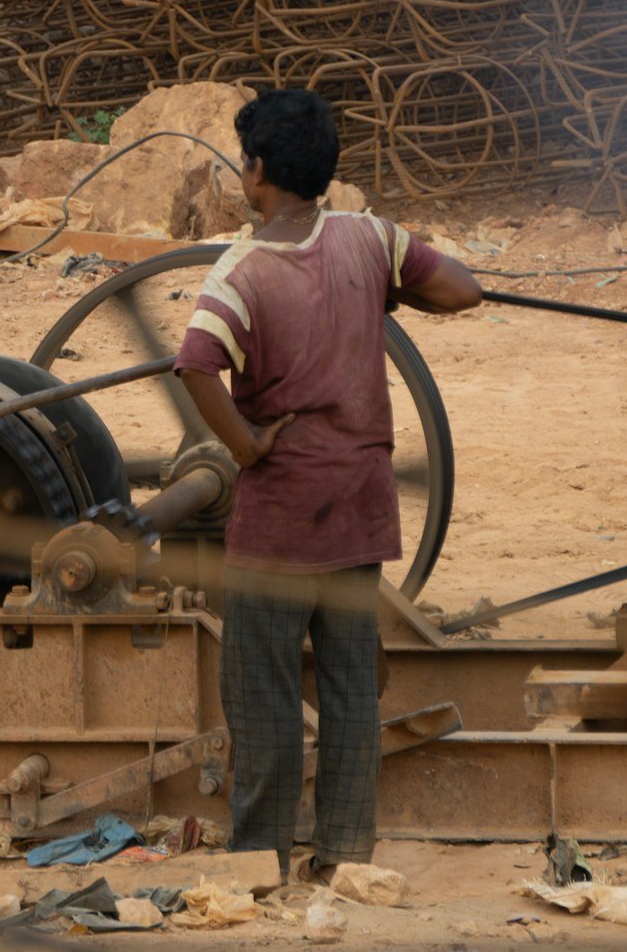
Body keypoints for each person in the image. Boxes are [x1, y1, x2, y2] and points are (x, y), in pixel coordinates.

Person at [174, 88, 481, 881]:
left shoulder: (242, 268)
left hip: (277, 524)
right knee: (350, 691)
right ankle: (345, 853)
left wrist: (242, 447)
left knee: (262, 697)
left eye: (245, 161)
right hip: (359, 511)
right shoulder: (370, 239)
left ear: (260, 173)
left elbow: (197, 363)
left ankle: (262, 860)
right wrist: (385, 287)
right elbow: (463, 290)